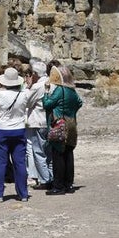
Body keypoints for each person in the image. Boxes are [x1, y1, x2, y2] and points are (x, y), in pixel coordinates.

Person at [0, 66, 36, 202]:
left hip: (2, 129)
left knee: (0, 163)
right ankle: (23, 194)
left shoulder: (0, 94)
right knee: (20, 163)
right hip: (19, 129)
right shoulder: (24, 94)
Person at [43, 65, 82, 195]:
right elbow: (79, 103)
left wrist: (46, 92)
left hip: (60, 124)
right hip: (71, 123)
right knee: (69, 154)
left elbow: (47, 104)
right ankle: (68, 184)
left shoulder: (60, 90)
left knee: (58, 154)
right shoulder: (72, 91)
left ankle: (58, 186)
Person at [25, 61, 53, 188]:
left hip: (38, 121)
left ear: (35, 74)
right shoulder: (51, 82)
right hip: (49, 121)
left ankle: (45, 180)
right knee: (49, 152)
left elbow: (27, 102)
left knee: (38, 152)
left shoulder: (37, 87)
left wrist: (28, 87)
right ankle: (51, 176)